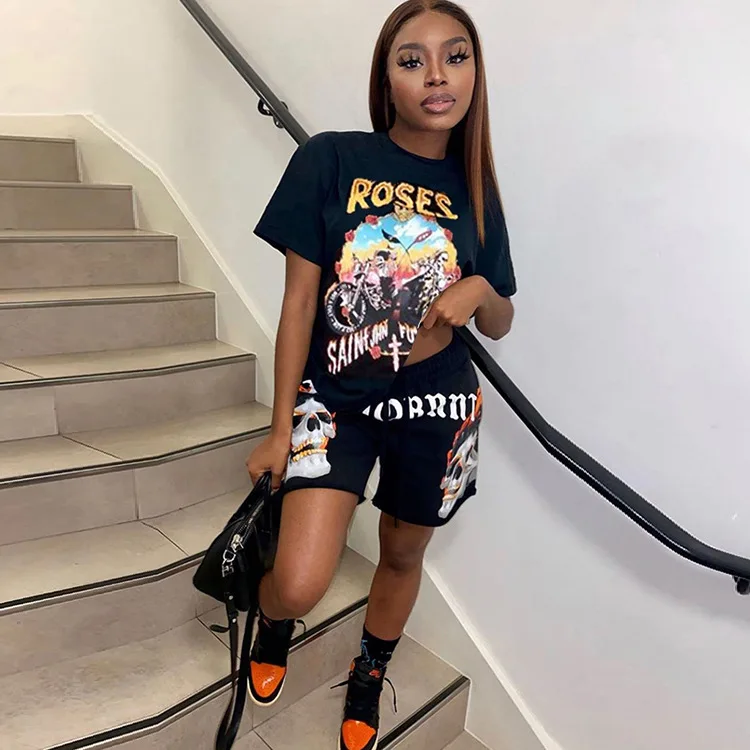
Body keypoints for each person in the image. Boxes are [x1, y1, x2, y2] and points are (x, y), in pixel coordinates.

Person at [247, 1, 516, 748]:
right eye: (411, 60)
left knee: (402, 550)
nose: (436, 76)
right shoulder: (330, 159)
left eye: (455, 56)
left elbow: (500, 320)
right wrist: (279, 429)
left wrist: (480, 290)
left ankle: (368, 671)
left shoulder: (478, 189)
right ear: (386, 79)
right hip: (336, 396)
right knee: (299, 580)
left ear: (475, 73)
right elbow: (300, 303)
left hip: (439, 403)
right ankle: (273, 619)